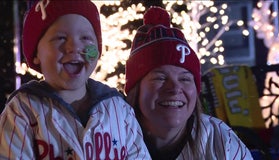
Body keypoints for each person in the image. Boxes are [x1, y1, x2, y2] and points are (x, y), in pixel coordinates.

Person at [0, 0, 150, 159]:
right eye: (61, 38)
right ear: (36, 54)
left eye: (86, 38)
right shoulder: (22, 110)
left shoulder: (119, 109)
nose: (74, 47)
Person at [124, 6, 253, 160]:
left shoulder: (221, 141)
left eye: (185, 79)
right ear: (136, 89)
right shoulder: (110, 136)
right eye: (160, 78)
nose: (175, 88)